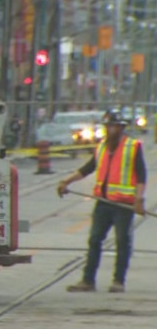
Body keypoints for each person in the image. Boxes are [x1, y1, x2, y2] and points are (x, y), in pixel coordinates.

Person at [57, 111, 147, 293]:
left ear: (121, 128)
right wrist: (66, 181)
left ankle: (118, 281)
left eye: (115, 126)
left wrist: (139, 200)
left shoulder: (133, 147)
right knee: (94, 239)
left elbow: (141, 176)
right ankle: (88, 280)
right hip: (103, 203)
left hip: (123, 205)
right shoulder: (101, 146)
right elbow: (87, 169)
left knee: (122, 242)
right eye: (109, 126)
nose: (111, 130)